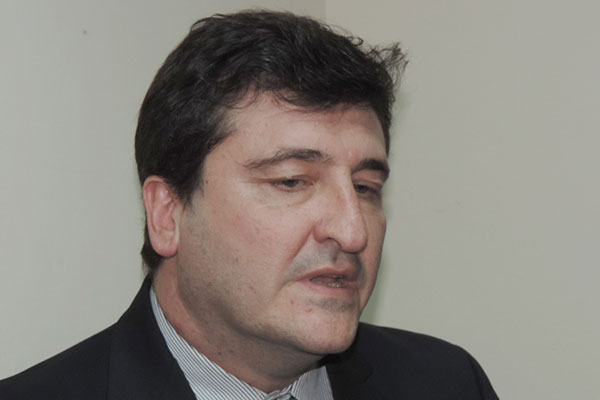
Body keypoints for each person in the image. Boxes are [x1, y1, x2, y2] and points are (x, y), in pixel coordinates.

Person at [0, 10, 499, 400]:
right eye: (292, 181)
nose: (353, 232)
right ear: (167, 214)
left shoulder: (448, 383)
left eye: (366, 187)